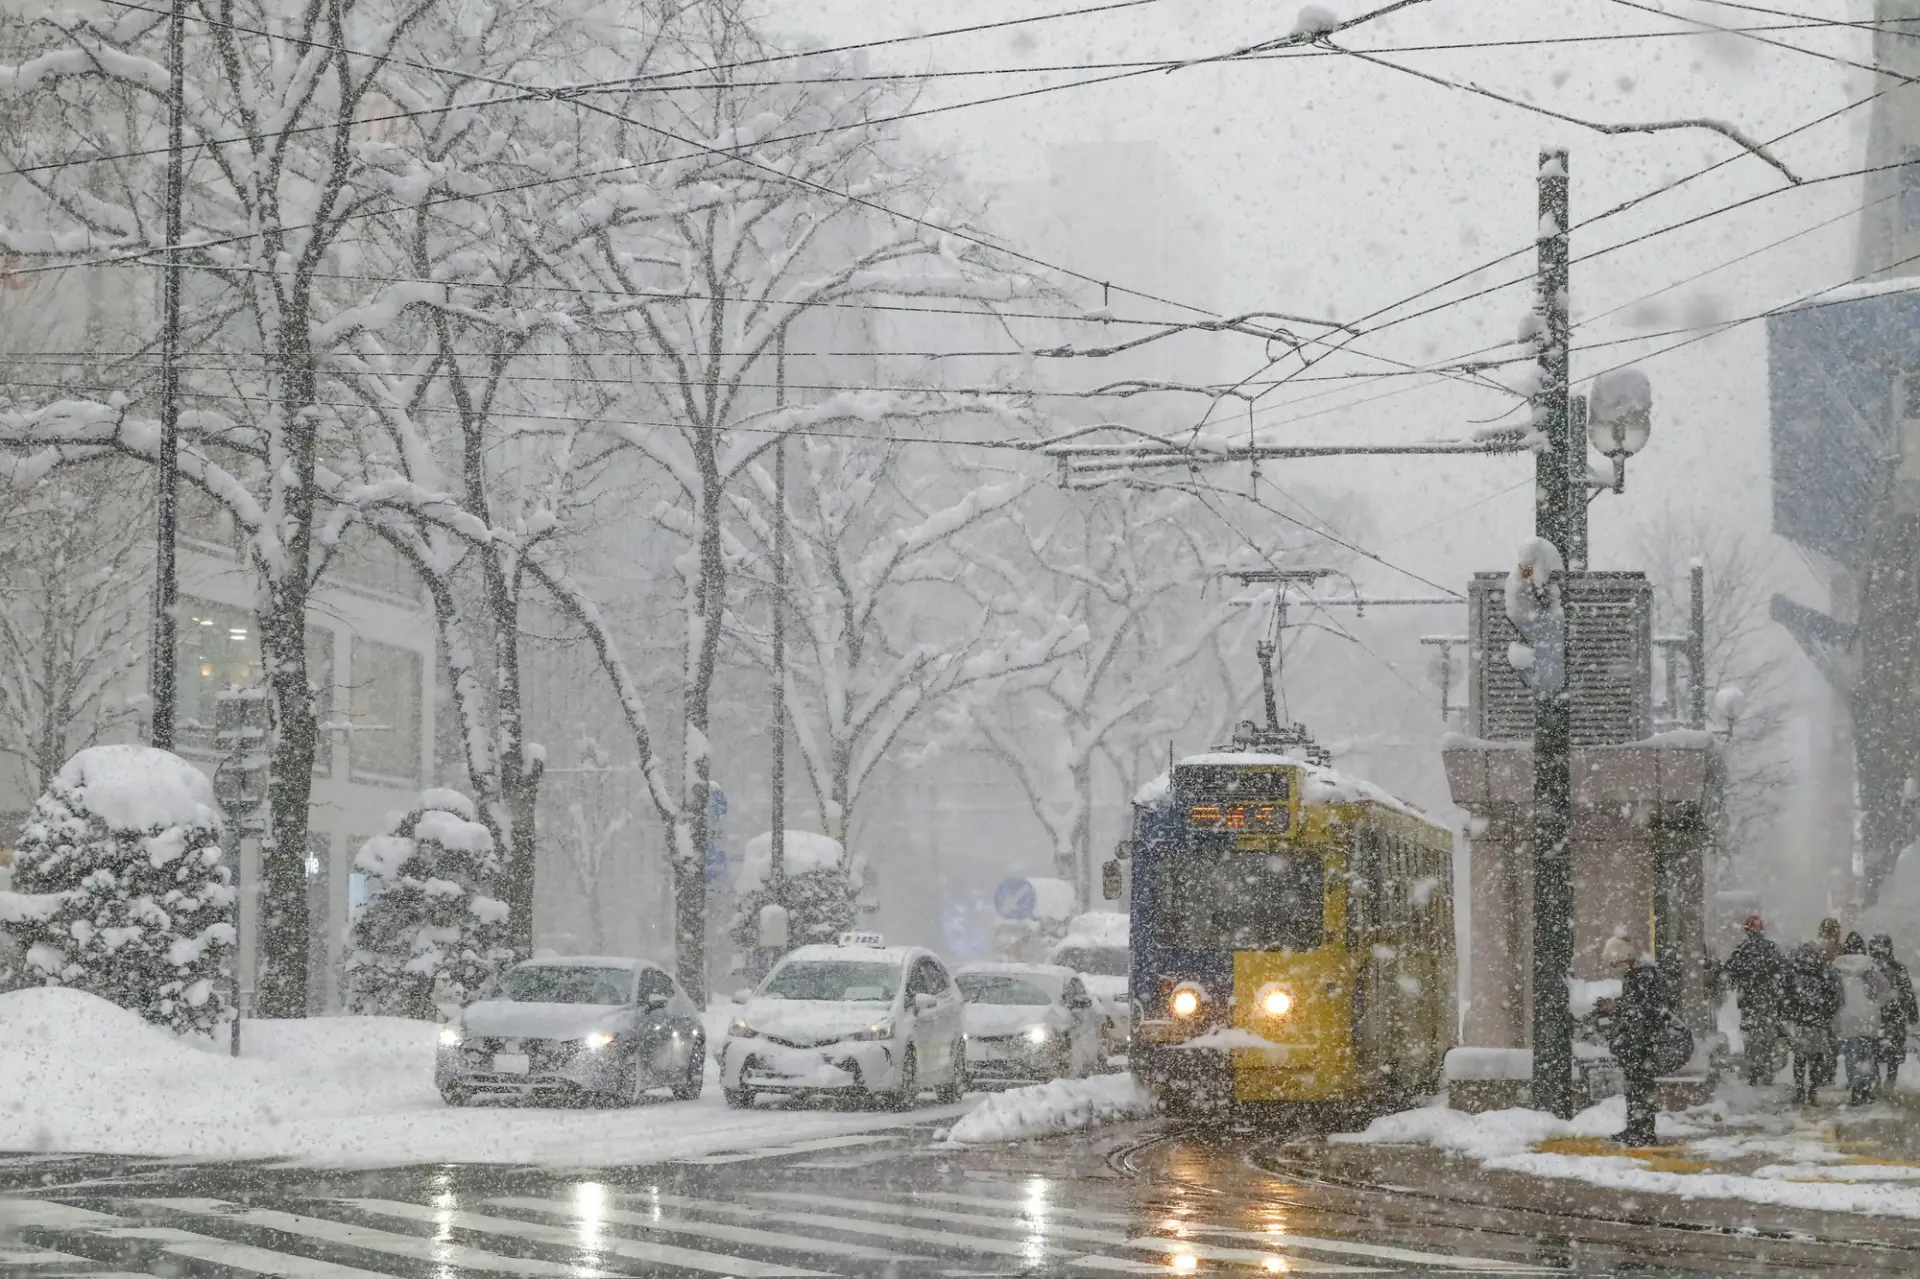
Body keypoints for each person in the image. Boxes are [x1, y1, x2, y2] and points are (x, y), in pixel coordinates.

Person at [1598, 936, 1669, 1146]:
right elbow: (1640, 1006)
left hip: (1641, 1042)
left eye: (1614, 962)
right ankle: (1637, 1129)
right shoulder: (1641, 974)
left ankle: (1642, 1132)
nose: (1613, 967)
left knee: (1640, 1087)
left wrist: (1617, 1008)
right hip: (1640, 1041)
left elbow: (1642, 1009)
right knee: (1637, 1087)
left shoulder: (1641, 975)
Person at [1723, 915, 1786, 1086]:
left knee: (1750, 1036)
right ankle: (1767, 1069)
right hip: (1768, 999)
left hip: (1748, 1000)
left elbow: (1730, 972)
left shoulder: (1742, 949)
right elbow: (1782, 972)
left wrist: (1736, 985)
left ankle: (1753, 1069)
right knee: (1768, 1036)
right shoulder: (1771, 948)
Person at [1833, 932, 1892, 1106]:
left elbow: (1834, 992)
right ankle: (1867, 1088)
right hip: (1867, 1014)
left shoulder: (1838, 967)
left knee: (1851, 1052)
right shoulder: (1870, 966)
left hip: (1847, 1014)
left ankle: (1855, 1088)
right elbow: (1883, 988)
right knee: (1866, 1053)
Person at [1782, 941, 1843, 1104]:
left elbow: (1788, 996)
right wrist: (1826, 1016)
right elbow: (1833, 997)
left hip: (1802, 1022)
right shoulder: (1824, 972)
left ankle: (1801, 1091)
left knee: (1800, 1057)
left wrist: (1792, 1014)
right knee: (1816, 1058)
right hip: (1818, 1022)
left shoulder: (1795, 973)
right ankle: (1813, 1091)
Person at [1869, 934, 1917, 1100]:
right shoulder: (1898, 968)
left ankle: (1876, 1081)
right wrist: (1913, 1015)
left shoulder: (1870, 968)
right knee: (1893, 1053)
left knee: (1875, 1051)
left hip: (1875, 1018)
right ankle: (1889, 1082)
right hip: (1895, 1017)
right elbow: (1908, 994)